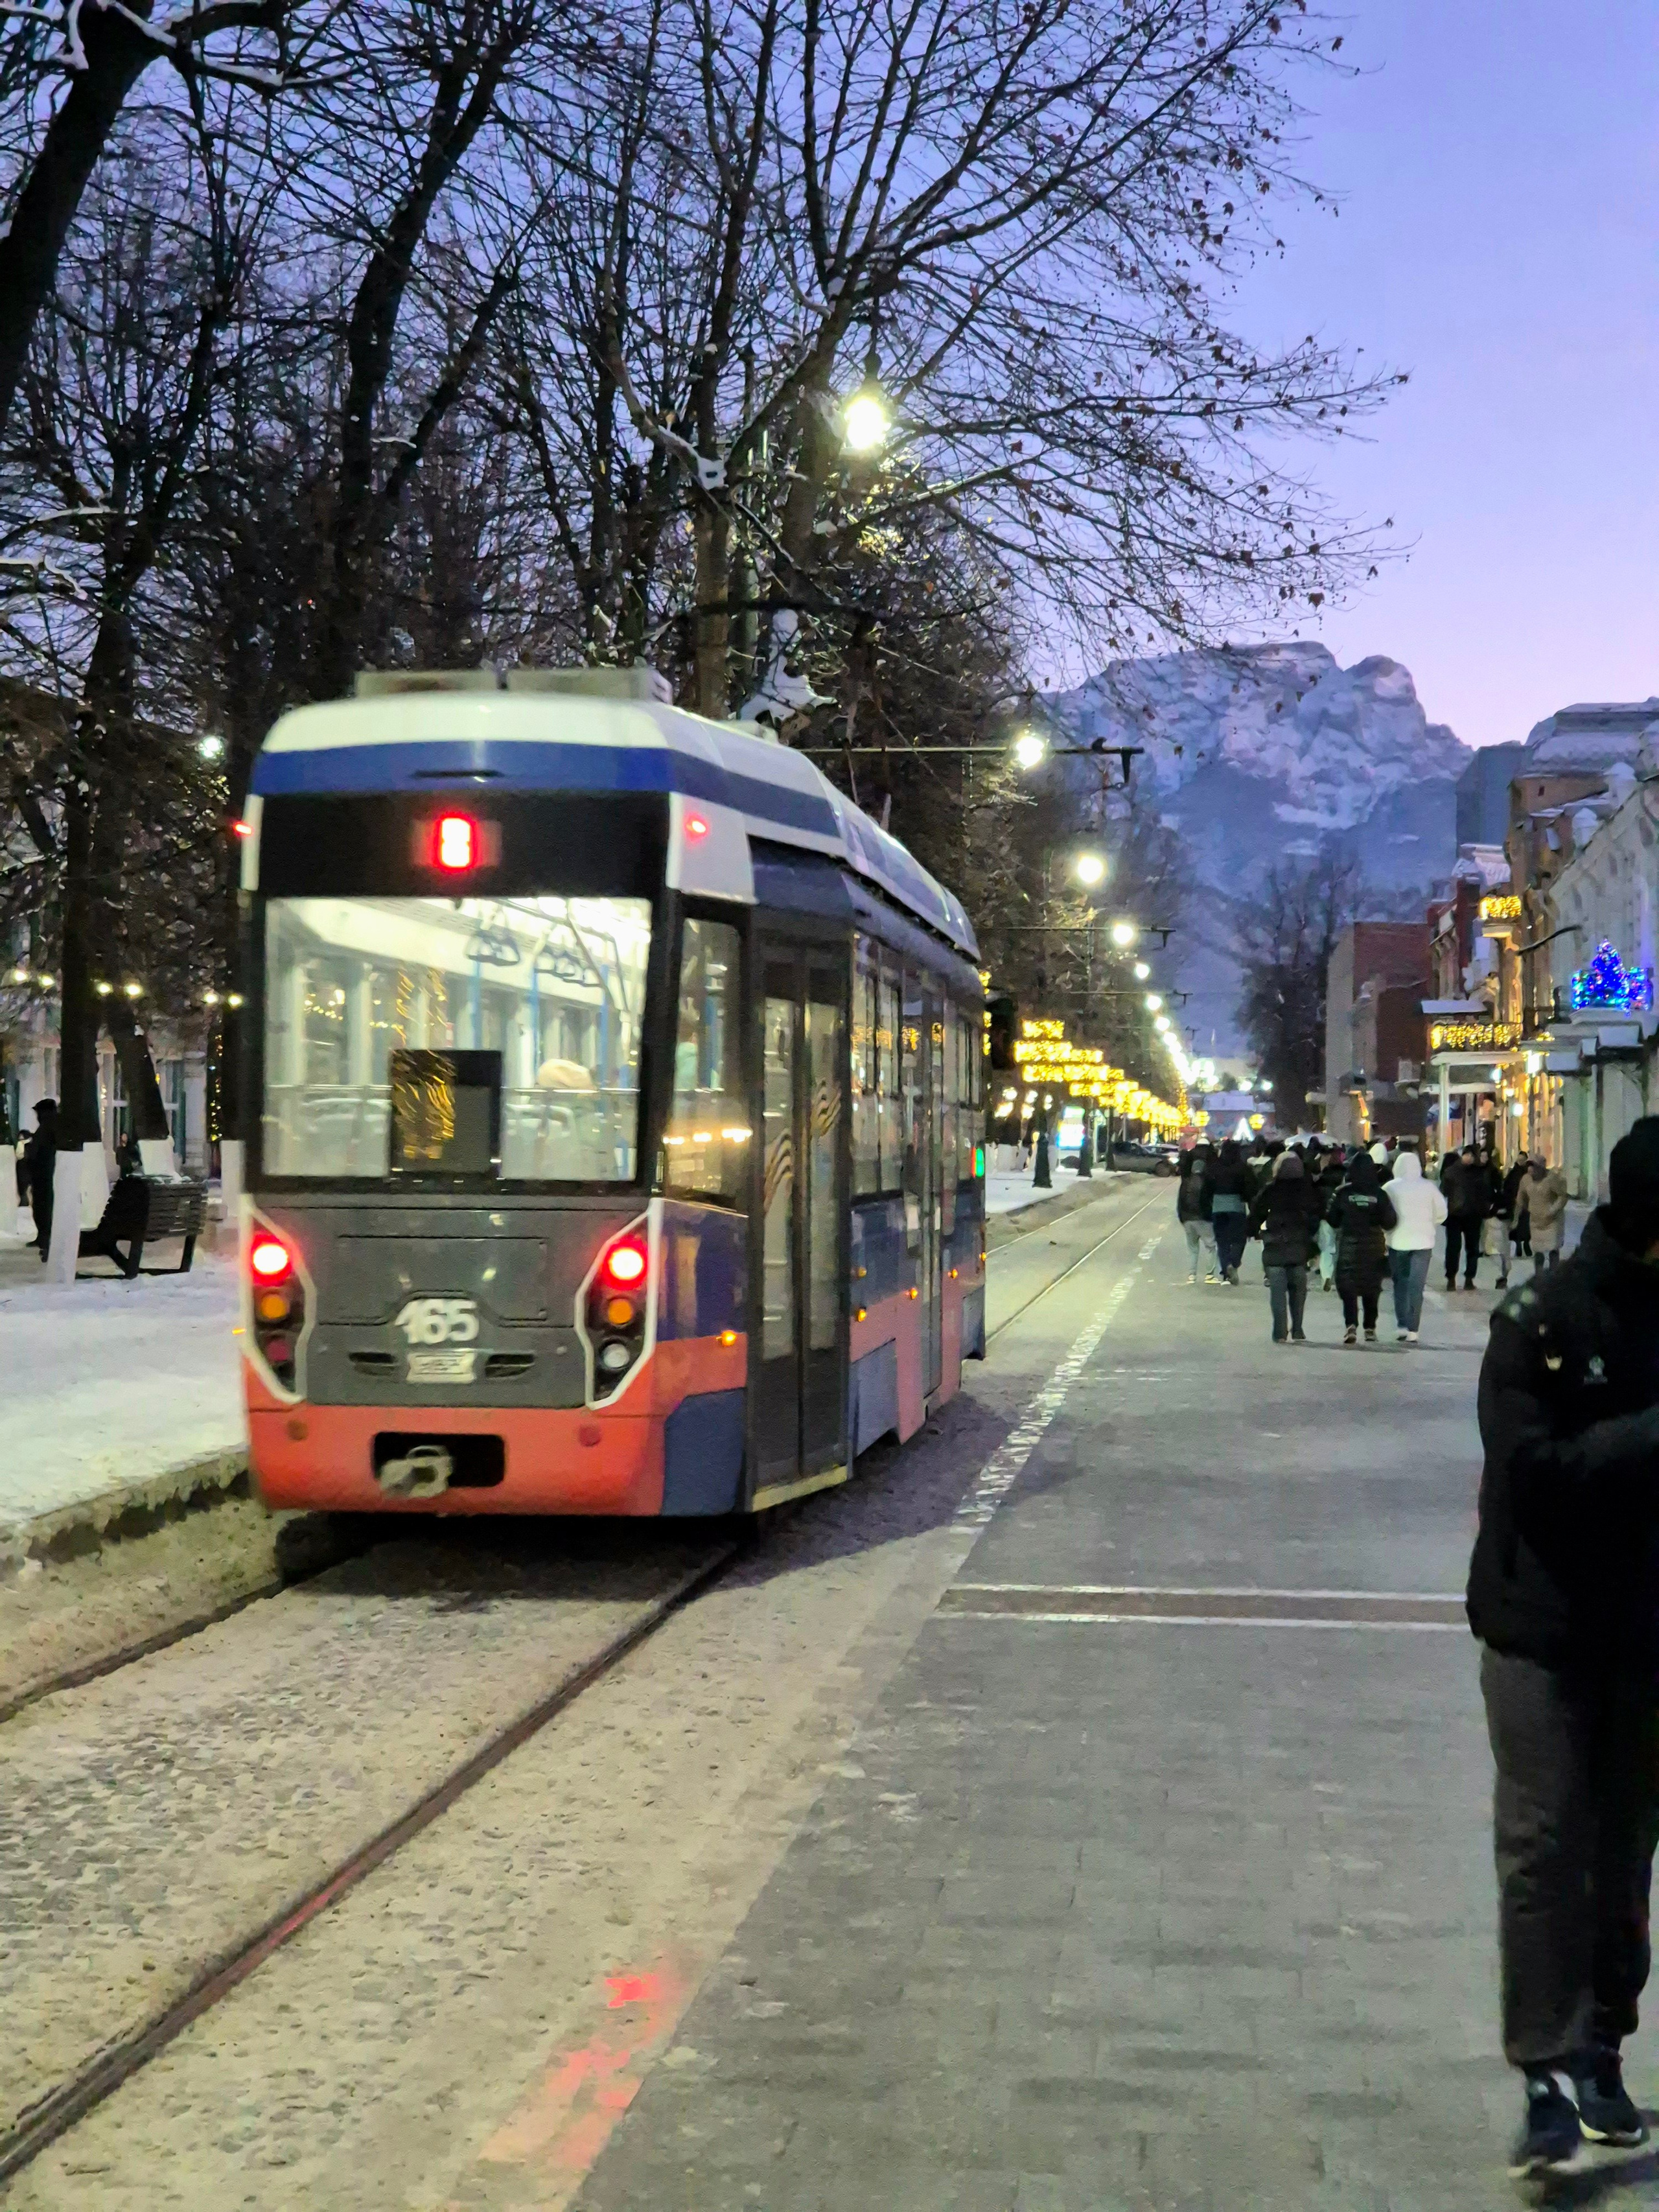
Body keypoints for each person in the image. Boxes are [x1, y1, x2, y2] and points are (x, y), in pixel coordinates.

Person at [1467, 1116, 1659, 2180]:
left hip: (1647, 1628)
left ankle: (1602, 2049)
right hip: (1539, 1623)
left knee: (1626, 1848)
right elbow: (1533, 1469)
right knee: (1545, 1846)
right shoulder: (1539, 1315)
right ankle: (1542, 2069)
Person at [1247, 1151, 1320, 1344]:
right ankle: (1298, 1329)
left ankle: (1280, 1333)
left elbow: (1256, 1214)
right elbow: (1317, 1216)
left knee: (1277, 1291)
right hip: (1299, 1246)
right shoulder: (1307, 1191)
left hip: (1274, 1245)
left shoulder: (1270, 1190)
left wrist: (1253, 1230)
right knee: (1299, 1289)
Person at [1327, 1148, 1396, 1344]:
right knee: (1372, 1289)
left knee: (1348, 1288)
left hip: (1349, 1245)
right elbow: (1390, 1222)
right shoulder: (1380, 1194)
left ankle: (1351, 1325)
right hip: (1374, 1247)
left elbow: (1333, 1219)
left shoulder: (1343, 1193)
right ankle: (1370, 1327)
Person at [1384, 1147, 1447, 1343]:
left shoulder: (1389, 1187)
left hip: (1397, 1242)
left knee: (1400, 1284)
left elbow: (1384, 1216)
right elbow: (1442, 1213)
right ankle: (1414, 1328)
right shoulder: (1429, 1187)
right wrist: (1430, 1224)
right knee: (1416, 1286)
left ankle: (1402, 1324)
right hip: (1423, 1243)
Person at [1444, 1144, 1490, 1292]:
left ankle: (1469, 1278)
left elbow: (1485, 1193)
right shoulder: (1451, 1172)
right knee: (1453, 1248)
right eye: (1467, 1154)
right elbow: (1443, 1191)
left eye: (1472, 1155)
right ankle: (1451, 1277)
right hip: (1455, 1215)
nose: (1469, 1157)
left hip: (1473, 1215)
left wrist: (1484, 1210)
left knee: (1473, 1249)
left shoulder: (1479, 1173)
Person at [1207, 1137, 1252, 1285]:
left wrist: (1207, 1207)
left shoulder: (1215, 1167)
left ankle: (1226, 1269)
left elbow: (1206, 1188)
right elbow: (1250, 1188)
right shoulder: (1242, 1167)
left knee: (1222, 1240)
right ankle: (1234, 1262)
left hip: (1218, 1206)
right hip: (1236, 1206)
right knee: (1239, 1239)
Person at [1176, 1140, 1216, 1285]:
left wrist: (1182, 1218)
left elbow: (1180, 1201)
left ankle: (1192, 1276)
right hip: (1204, 1218)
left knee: (1192, 1249)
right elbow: (1209, 1201)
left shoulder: (1185, 1181)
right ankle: (1210, 1275)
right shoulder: (1208, 1181)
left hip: (1187, 1218)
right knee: (1211, 1246)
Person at [1524, 1155, 1570, 1272]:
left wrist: (1552, 1210)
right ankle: (1539, 1277)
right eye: (1529, 1166)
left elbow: (1563, 1196)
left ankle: (1554, 1276)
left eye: (1533, 1166)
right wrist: (1527, 1209)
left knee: (1553, 1249)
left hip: (1552, 1221)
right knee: (1538, 1251)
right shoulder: (1527, 1180)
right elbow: (1522, 1196)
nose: (1531, 1169)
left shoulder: (1552, 1179)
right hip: (1536, 1221)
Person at [25, 1097, 58, 1261]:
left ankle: (45, 1239)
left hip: (44, 1175)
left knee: (43, 1207)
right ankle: (43, 1237)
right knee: (40, 1206)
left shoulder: (49, 1126)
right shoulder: (47, 1126)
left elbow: (43, 1150)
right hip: (42, 1174)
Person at [1313, 1144, 1345, 1292]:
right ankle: (1339, 1276)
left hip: (1326, 1217)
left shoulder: (1321, 1180)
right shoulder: (1347, 1178)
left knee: (1327, 1248)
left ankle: (1327, 1275)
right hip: (1344, 1217)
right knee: (1341, 1248)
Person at [1503, 1152, 1533, 1271]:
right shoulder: (1513, 1173)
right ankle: (1519, 1246)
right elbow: (1507, 1187)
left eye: (1523, 1160)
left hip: (1527, 1204)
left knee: (1526, 1225)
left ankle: (1526, 1244)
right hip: (1515, 1204)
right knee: (1517, 1226)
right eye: (1519, 1159)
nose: (1521, 1162)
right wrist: (1511, 1199)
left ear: (1526, 1160)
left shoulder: (1529, 1172)